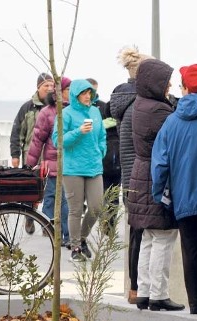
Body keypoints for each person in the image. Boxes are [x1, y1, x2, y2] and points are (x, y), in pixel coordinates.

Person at [151, 64, 197, 314]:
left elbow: (160, 165)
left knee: (191, 253)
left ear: (185, 88)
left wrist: (161, 196)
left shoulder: (171, 122)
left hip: (184, 199)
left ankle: (196, 304)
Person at [127, 58, 184, 312]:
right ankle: (159, 294)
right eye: (166, 80)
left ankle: (145, 290)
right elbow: (170, 144)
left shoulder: (140, 104)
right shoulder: (159, 110)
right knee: (163, 235)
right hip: (154, 175)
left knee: (149, 237)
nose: (170, 84)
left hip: (140, 173)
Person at [109, 46, 152, 304]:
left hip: (128, 176)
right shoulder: (140, 105)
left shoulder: (123, 103)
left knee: (136, 233)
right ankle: (138, 288)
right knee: (142, 234)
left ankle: (136, 288)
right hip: (140, 176)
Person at [52, 79, 106, 262]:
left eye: (89, 92)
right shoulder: (65, 114)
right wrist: (78, 132)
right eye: (84, 93)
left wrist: (101, 150)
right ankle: (75, 247)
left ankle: (82, 238)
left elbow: (102, 136)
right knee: (75, 210)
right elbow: (57, 140)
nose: (87, 96)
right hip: (73, 168)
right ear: (75, 95)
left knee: (97, 207)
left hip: (94, 166)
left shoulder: (95, 112)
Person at [27, 76, 71, 247]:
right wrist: (30, 165)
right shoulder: (47, 112)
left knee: (66, 200)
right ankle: (50, 228)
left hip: (71, 165)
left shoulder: (75, 111)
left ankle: (65, 234)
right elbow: (37, 139)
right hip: (53, 164)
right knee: (51, 197)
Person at [88, 78, 121, 237]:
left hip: (101, 164)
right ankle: (110, 225)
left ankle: (104, 222)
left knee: (102, 195)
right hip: (117, 165)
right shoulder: (120, 125)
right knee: (114, 196)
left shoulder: (98, 122)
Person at [10, 73, 55, 168]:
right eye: (46, 85)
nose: (50, 88)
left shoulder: (57, 108)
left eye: (52, 85)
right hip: (30, 155)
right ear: (38, 87)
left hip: (51, 157)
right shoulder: (27, 108)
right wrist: (15, 155)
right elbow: (17, 132)